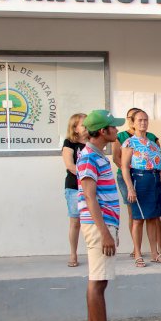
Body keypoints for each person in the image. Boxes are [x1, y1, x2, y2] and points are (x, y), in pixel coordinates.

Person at [78, 109, 137, 321]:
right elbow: (90, 198)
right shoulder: (89, 157)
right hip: (98, 226)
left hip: (102, 224)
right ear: (103, 131)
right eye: (113, 127)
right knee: (98, 282)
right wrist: (104, 233)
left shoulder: (95, 155)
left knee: (98, 280)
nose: (117, 130)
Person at [113, 108, 161, 258]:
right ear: (133, 122)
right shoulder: (129, 142)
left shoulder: (152, 143)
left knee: (152, 217)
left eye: (145, 120)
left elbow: (156, 163)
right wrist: (130, 188)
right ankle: (137, 253)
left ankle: (154, 252)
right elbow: (124, 167)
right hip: (139, 179)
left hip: (154, 181)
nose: (143, 123)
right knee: (138, 218)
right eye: (140, 120)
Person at [62, 113, 88, 267]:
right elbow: (70, 165)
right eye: (83, 124)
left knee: (92, 221)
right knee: (75, 222)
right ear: (75, 128)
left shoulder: (92, 142)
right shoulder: (69, 142)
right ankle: (73, 254)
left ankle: (94, 252)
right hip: (74, 187)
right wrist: (86, 175)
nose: (87, 127)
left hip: (92, 187)